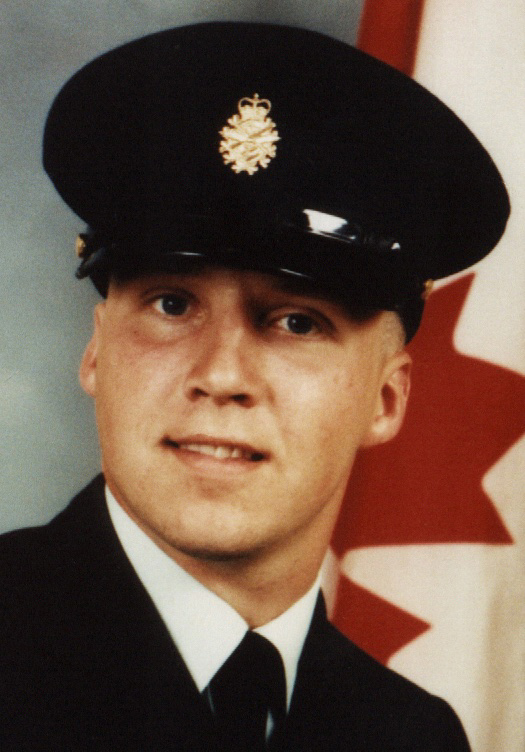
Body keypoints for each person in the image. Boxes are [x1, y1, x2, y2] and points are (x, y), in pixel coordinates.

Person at [0, 21, 509, 752]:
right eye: (171, 305)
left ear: (387, 400)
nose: (220, 374)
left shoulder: (409, 736)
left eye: (296, 323)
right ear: (94, 352)